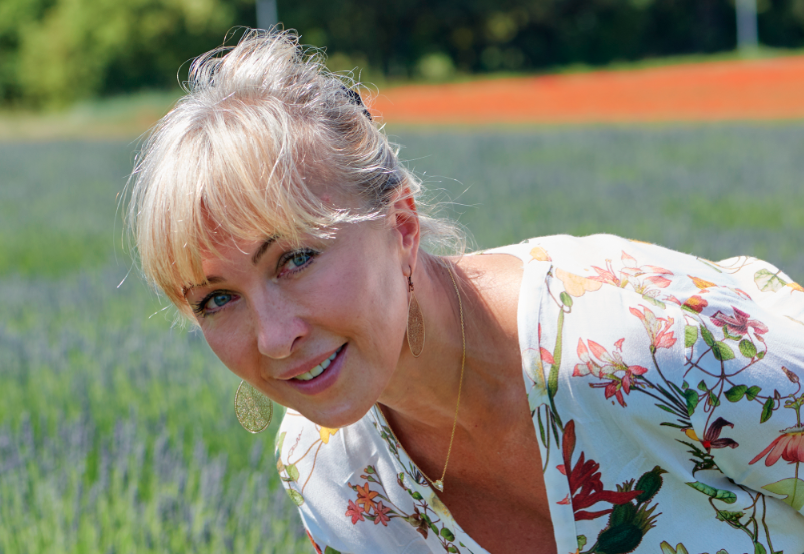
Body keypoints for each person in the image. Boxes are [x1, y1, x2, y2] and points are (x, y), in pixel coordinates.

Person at [126, 28, 804, 554]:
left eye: (295, 258)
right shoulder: (324, 467)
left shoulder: (639, 347)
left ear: (401, 225)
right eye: (216, 299)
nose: (275, 338)